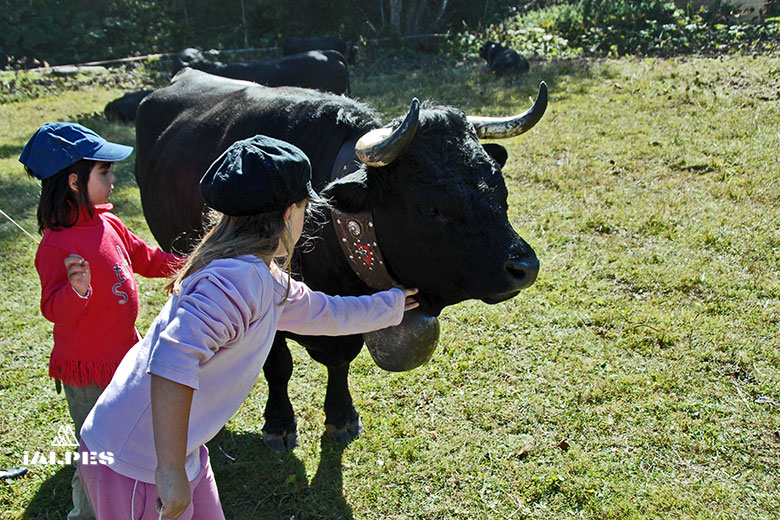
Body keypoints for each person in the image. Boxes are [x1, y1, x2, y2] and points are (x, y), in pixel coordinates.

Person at [77, 135, 418, 519]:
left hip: (174, 447)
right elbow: (173, 358)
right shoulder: (237, 282)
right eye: (305, 209)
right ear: (290, 213)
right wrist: (169, 469)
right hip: (137, 461)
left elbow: (324, 312)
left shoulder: (259, 276)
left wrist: (390, 305)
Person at [19, 122, 184, 520]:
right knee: (98, 451)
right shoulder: (56, 244)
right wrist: (75, 291)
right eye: (104, 172)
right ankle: (88, 513)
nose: (113, 179)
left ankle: (133, 504)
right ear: (74, 181)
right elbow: (52, 308)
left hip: (126, 356)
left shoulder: (109, 223)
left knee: (132, 436)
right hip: (87, 371)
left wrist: (187, 266)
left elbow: (146, 258)